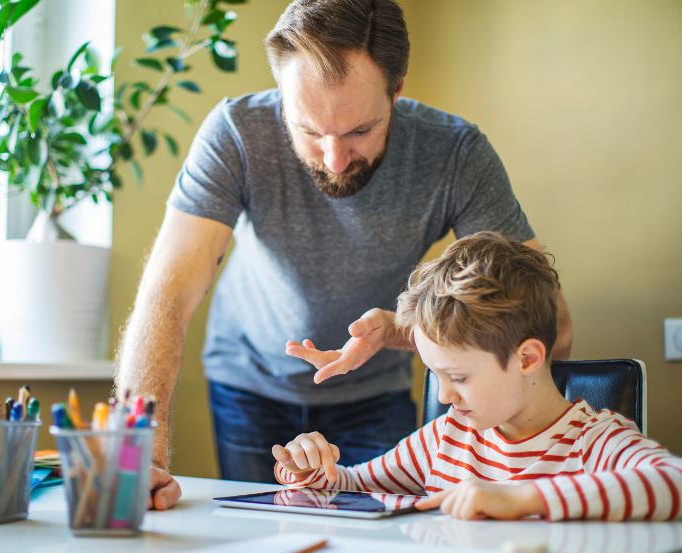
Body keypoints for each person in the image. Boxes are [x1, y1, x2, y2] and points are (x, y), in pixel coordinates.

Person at [117, 0, 572, 508]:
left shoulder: (456, 153)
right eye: (309, 131)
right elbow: (167, 292)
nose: (334, 160)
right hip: (248, 384)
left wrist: (397, 335)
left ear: (396, 90)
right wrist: (141, 458)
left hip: (376, 396)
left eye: (359, 131)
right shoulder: (236, 132)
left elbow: (539, 314)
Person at [273, 233, 682, 521]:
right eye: (435, 374)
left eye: (459, 377)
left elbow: (673, 484)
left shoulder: (594, 443)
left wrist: (524, 497)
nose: (445, 396)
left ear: (527, 359)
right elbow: (347, 486)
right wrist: (307, 468)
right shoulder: (444, 437)